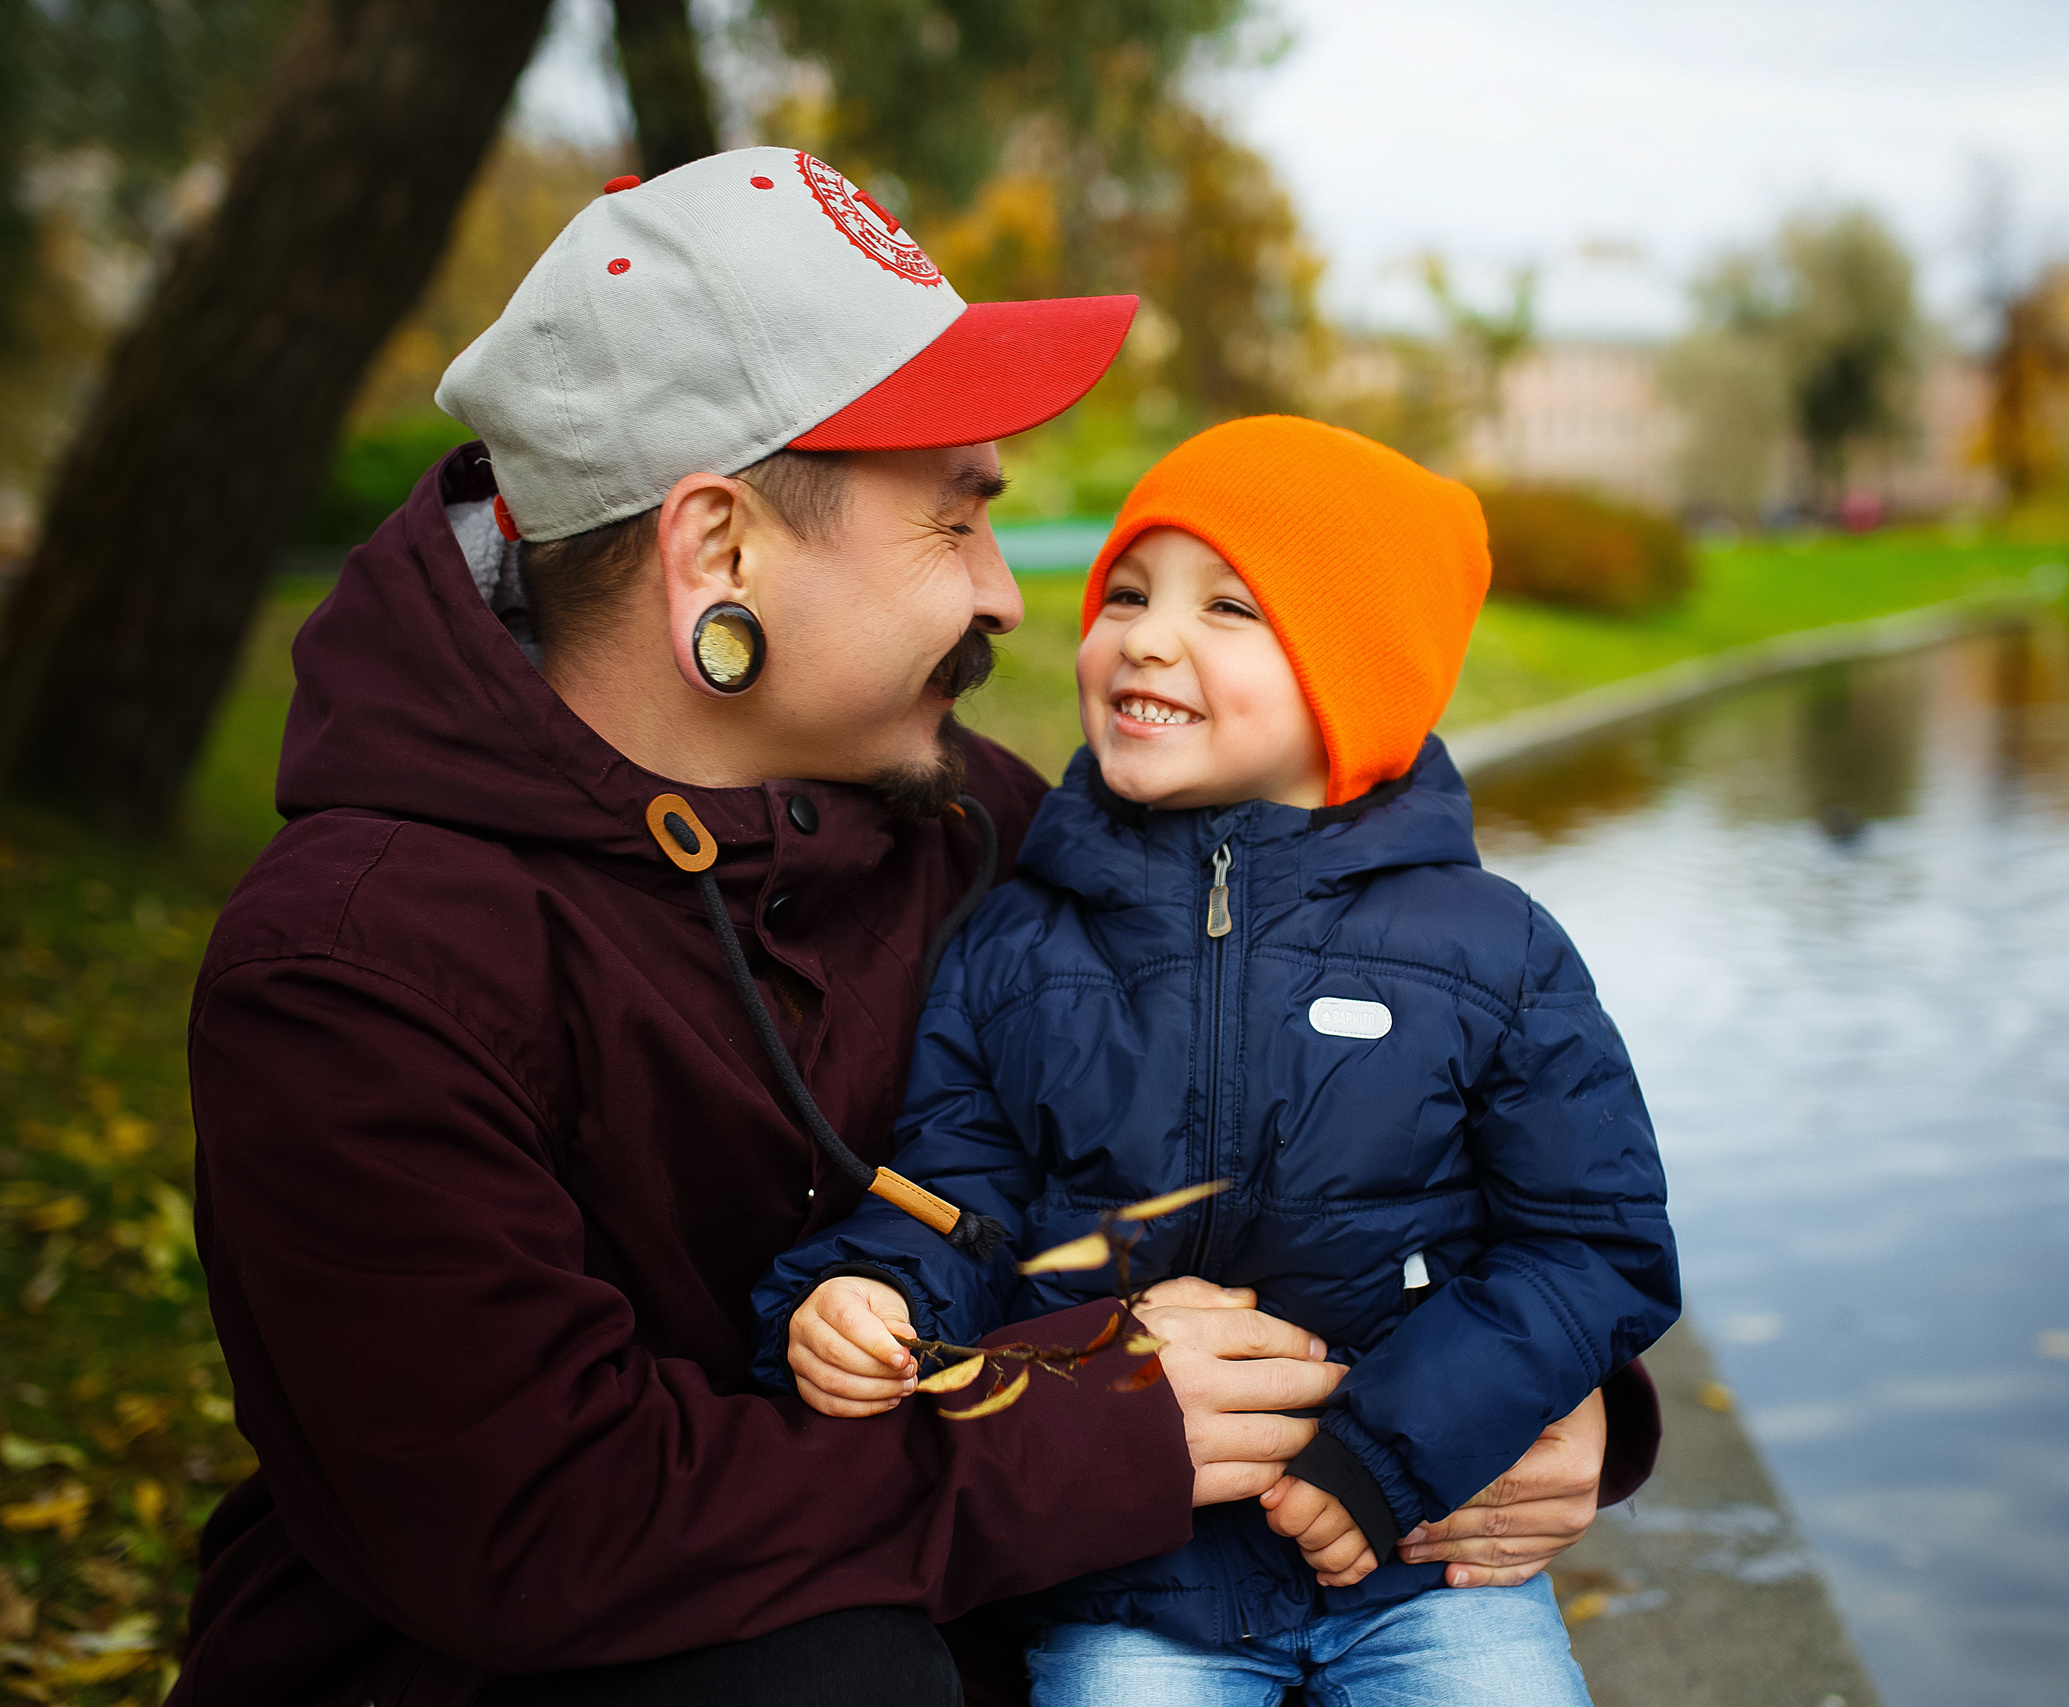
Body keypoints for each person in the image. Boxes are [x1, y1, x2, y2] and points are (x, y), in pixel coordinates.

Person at [177, 148, 1658, 1707]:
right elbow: (532, 1519)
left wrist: (1552, 1407)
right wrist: (1086, 1430)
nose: (1012, 600)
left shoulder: (981, 828)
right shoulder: (352, 969)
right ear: (719, 553)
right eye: (957, 524)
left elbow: (1287, 1114)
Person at [753, 415, 1681, 1705]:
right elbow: (964, 1194)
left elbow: (1597, 1242)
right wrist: (875, 1296)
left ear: (1352, 680)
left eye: (1229, 608)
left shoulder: (1492, 951)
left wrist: (1393, 1453)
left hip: (1423, 1563)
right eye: (1126, 593)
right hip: (1136, 1585)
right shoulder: (1018, 939)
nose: (1144, 634)